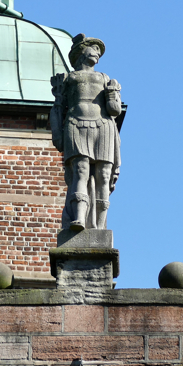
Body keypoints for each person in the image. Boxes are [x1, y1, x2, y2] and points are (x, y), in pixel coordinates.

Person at [50, 34, 122, 231]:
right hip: (76, 124)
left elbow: (114, 110)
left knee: (103, 176)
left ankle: (99, 225)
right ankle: (79, 218)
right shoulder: (69, 79)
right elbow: (57, 109)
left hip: (103, 127)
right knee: (81, 171)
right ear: (80, 52)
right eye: (93, 48)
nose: (97, 53)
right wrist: (57, 133)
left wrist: (113, 93)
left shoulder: (104, 78)